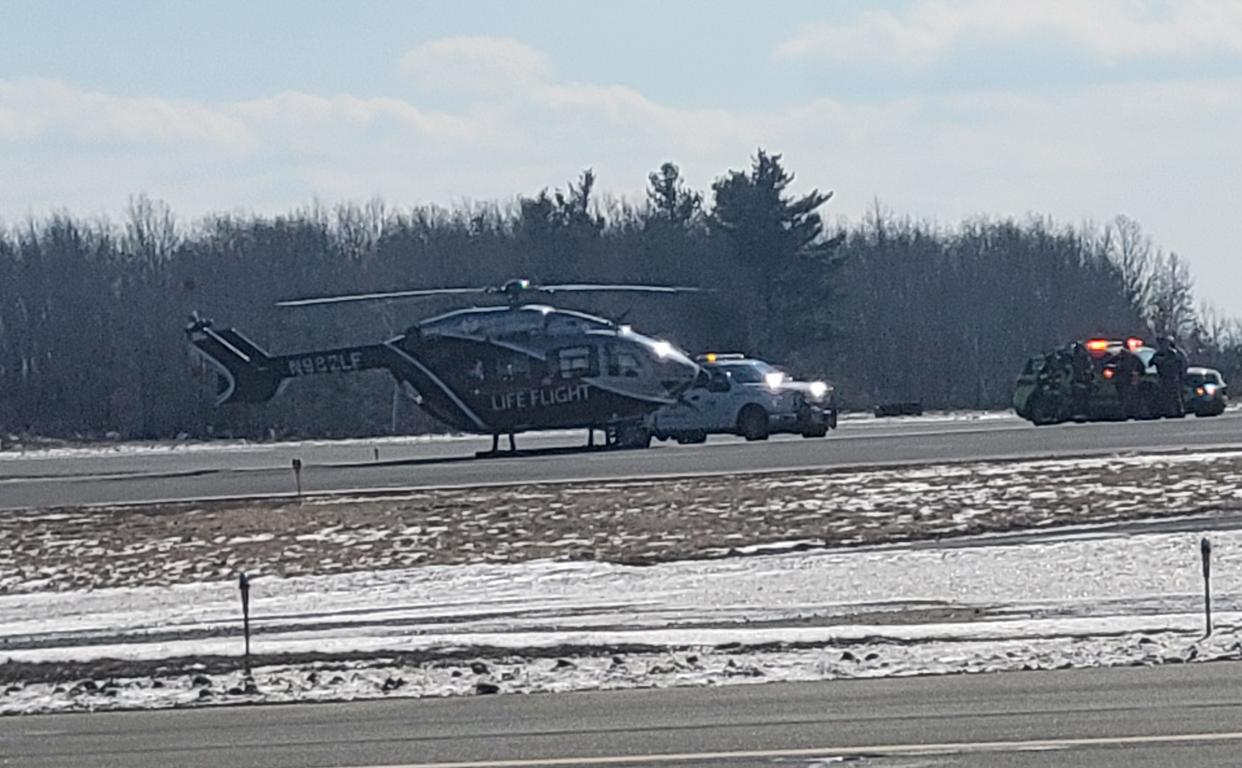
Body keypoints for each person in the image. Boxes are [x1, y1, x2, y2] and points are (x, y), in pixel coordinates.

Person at [1150, 336, 1189, 417]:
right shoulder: (1159, 353)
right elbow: (1150, 362)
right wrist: (1157, 359)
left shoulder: (1175, 353)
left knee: (1175, 395)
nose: (1162, 345)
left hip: (1173, 377)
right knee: (1165, 395)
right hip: (1163, 377)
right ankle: (1168, 411)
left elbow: (1180, 364)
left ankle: (1179, 411)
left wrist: (1163, 361)